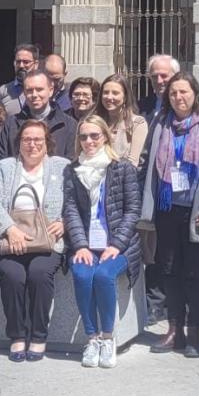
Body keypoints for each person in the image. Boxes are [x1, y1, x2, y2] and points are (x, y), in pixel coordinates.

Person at [140, 72, 199, 358]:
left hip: (196, 210)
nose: (179, 97)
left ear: (195, 94)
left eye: (184, 92)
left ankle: (194, 330)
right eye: (174, 93)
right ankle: (174, 329)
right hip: (167, 207)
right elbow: (147, 160)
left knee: (193, 272)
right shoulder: (160, 124)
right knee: (168, 270)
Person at [0, 121, 68, 362]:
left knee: (39, 274)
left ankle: (39, 336)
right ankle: (18, 335)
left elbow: (75, 201)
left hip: (48, 240)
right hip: (12, 239)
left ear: (47, 143)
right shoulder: (6, 166)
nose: (32, 144)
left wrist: (64, 222)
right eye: (27, 140)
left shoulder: (61, 167)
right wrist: (10, 229)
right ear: (19, 143)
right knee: (13, 276)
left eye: (38, 140)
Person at [64, 115, 142, 368]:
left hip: (118, 244)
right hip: (86, 244)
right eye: (83, 136)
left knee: (103, 276)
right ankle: (92, 338)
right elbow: (71, 210)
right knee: (83, 274)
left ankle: (108, 337)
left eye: (94, 135)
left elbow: (132, 210)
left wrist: (117, 244)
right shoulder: (72, 169)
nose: (89, 141)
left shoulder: (122, 168)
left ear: (105, 137)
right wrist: (80, 245)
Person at [0, 71, 78, 165]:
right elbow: (1, 159)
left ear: (50, 91)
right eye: (29, 90)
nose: (34, 95)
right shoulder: (11, 124)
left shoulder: (69, 125)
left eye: (39, 89)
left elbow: (72, 163)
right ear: (24, 93)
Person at [98, 74, 148, 167]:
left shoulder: (137, 123)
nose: (109, 97)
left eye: (115, 93)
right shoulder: (96, 122)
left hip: (123, 178)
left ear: (125, 97)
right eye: (105, 92)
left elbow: (133, 162)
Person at [0, 44, 40, 116]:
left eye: (26, 62)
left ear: (36, 64)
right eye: (18, 62)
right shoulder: (4, 91)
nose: (21, 66)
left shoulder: (44, 90)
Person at [138, 54, 179, 123]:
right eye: (154, 76)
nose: (159, 81)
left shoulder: (184, 105)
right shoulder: (141, 107)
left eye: (164, 76)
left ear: (176, 76)